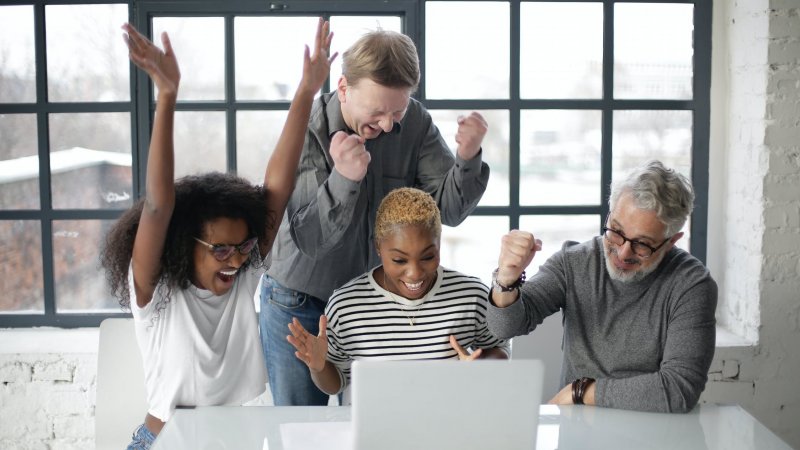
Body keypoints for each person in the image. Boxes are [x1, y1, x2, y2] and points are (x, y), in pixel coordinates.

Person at [100, 19, 336, 449]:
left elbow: (277, 188)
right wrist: (167, 96)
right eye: (221, 249)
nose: (237, 259)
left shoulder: (243, 274)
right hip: (162, 442)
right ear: (184, 244)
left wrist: (306, 91)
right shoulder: (157, 295)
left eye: (244, 246)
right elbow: (157, 206)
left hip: (231, 442)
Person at [259, 29, 491, 405]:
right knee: (301, 428)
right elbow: (311, 239)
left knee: (374, 420)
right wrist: (345, 178)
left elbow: (447, 211)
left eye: (397, 110)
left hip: (369, 305)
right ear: (344, 87)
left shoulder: (414, 122)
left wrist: (467, 158)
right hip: (300, 299)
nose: (388, 125)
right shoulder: (309, 129)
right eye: (377, 111)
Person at [487, 160, 717, 413]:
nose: (623, 251)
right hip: (578, 431)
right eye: (616, 231)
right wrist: (506, 278)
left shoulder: (691, 285)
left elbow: (679, 390)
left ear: (672, 241)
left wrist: (580, 391)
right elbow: (504, 327)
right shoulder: (574, 261)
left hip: (653, 428)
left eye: (642, 244)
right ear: (610, 214)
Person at [286, 187, 509, 399]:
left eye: (428, 257)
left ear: (439, 245)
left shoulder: (470, 295)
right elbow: (337, 383)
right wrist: (319, 367)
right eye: (399, 260)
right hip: (376, 429)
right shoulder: (346, 305)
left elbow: (498, 348)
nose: (415, 273)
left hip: (448, 425)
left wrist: (479, 369)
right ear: (378, 248)